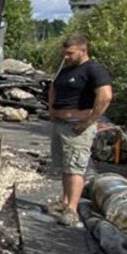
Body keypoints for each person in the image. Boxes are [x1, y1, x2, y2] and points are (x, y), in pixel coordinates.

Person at [48, 32, 113, 227]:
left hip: (77, 126)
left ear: (83, 50)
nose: (66, 57)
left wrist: (89, 121)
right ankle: (64, 201)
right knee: (64, 167)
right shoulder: (66, 69)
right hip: (60, 124)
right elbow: (53, 87)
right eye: (64, 53)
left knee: (75, 168)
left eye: (70, 53)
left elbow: (105, 96)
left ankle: (72, 210)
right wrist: (52, 109)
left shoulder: (93, 70)